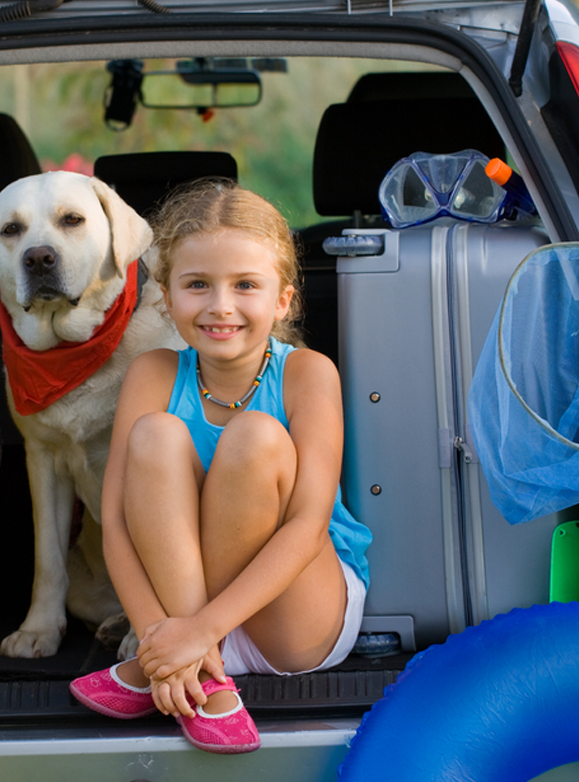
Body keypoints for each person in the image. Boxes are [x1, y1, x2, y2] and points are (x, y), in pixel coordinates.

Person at [69, 179, 372, 754]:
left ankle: (183, 661)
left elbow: (308, 526)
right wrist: (160, 639)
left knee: (255, 436)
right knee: (155, 434)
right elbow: (116, 523)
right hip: (182, 615)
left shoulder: (307, 373)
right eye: (198, 285)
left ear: (283, 300)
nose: (220, 305)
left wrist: (191, 636)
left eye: (246, 285)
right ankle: (203, 678)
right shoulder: (154, 373)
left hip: (292, 613)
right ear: (165, 296)